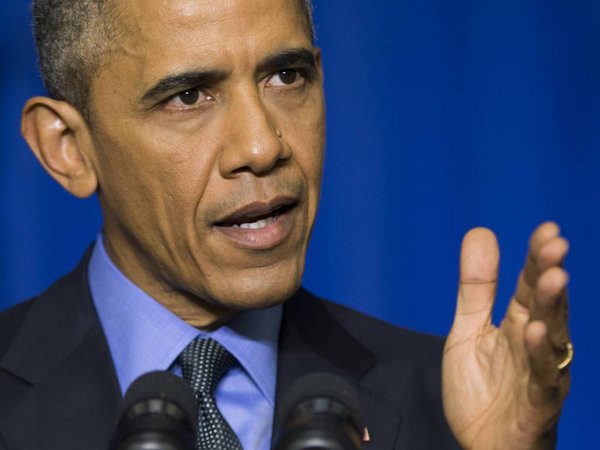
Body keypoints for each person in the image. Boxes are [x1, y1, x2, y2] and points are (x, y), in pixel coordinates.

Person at [0, 0, 572, 449]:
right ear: (68, 148)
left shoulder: (446, 406)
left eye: (286, 77)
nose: (260, 146)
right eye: (188, 96)